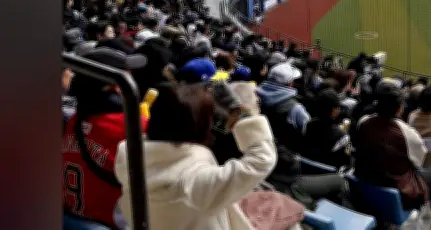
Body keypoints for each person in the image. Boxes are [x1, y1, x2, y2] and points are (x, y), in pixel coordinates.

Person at [115, 82, 278, 230]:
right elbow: (262, 160)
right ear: (201, 125)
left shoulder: (129, 158)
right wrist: (244, 115)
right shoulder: (195, 183)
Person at [62, 47, 149, 229]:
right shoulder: (133, 126)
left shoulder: (75, 120)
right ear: (115, 87)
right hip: (109, 224)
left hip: (70, 219)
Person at [352, 82, 431, 229]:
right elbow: (418, 162)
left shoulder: (363, 121)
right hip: (396, 191)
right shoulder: (407, 133)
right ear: (399, 108)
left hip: (364, 181)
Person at [256, 62, 311, 152]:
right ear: (290, 83)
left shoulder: (254, 96)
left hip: (256, 148)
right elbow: (308, 132)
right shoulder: (296, 108)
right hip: (283, 155)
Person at [301, 89, 352, 170]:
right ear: (334, 111)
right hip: (329, 172)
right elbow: (347, 161)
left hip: (307, 168)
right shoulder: (342, 135)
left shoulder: (308, 125)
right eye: (338, 107)